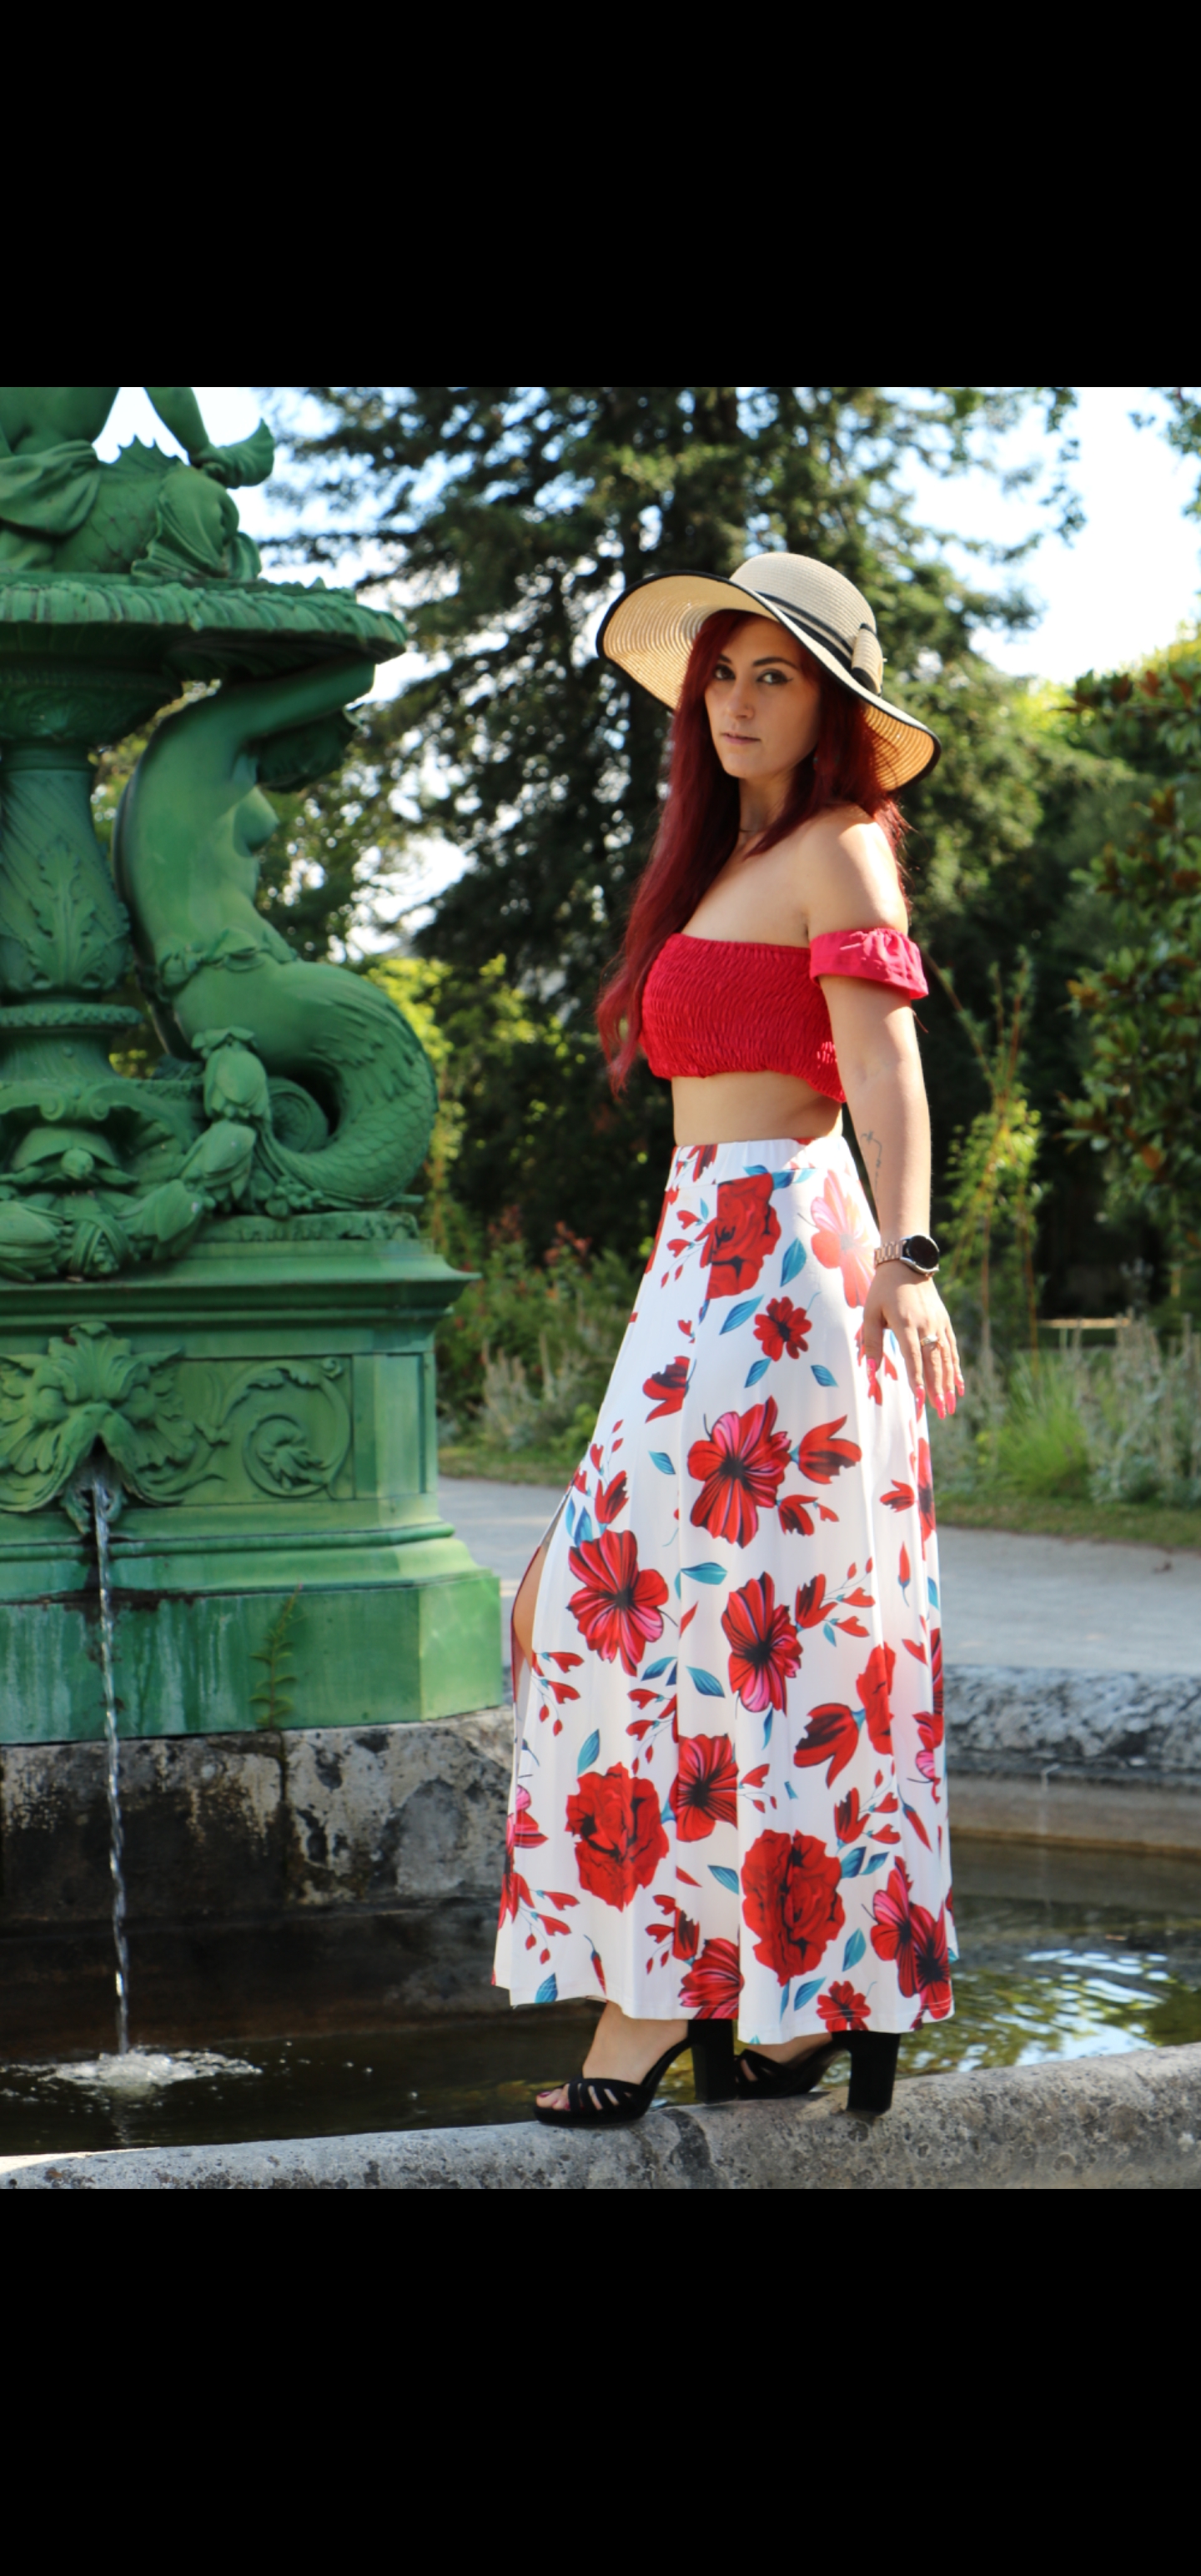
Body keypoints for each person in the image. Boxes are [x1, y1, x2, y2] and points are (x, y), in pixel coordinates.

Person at [494, 553, 962, 2127]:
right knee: (600, 1609)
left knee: (710, 1630)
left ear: (835, 706)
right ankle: (770, 2003)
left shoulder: (844, 848)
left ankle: (680, 2012)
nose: (741, 701)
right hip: (701, 1256)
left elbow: (885, 1071)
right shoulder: (722, 862)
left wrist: (909, 1255)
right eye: (724, 673)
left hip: (789, 1276)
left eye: (778, 676)